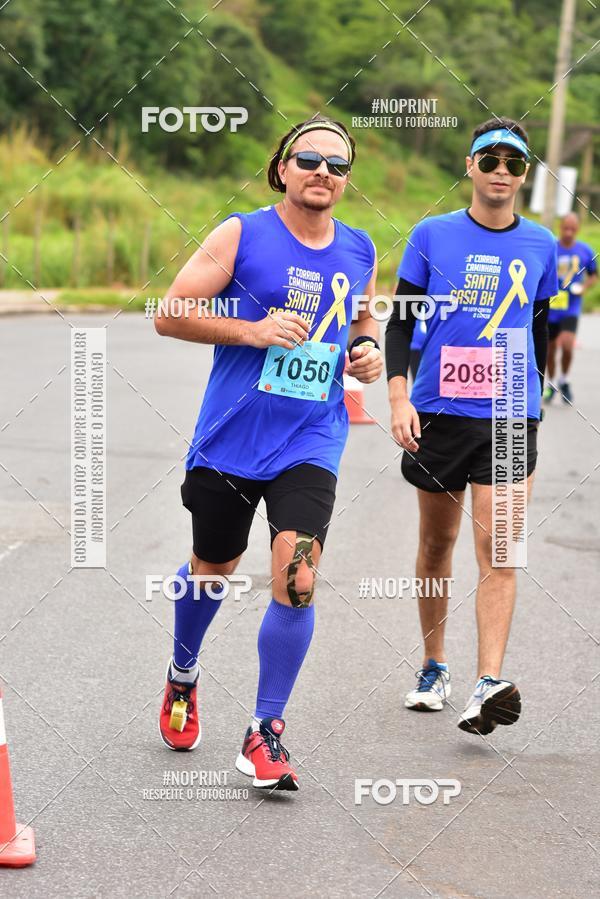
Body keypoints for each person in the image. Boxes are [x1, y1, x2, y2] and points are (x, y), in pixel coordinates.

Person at [154, 116, 382, 791]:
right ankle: (183, 674)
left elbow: (361, 318)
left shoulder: (360, 248)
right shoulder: (242, 234)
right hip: (230, 437)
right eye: (308, 159)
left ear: (346, 179)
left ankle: (265, 730)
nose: (322, 172)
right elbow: (169, 312)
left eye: (336, 164)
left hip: (311, 438)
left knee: (298, 575)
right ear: (281, 169)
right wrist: (252, 330)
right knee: (214, 566)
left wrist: (367, 350)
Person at [386, 117, 558, 735]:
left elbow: (539, 326)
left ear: (524, 173)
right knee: (438, 544)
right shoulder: (432, 234)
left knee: (501, 548)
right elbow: (400, 322)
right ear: (470, 166)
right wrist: (398, 396)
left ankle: (488, 683)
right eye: (490, 160)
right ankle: (434, 665)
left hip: (510, 413)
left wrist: (533, 400)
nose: (501, 172)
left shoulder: (541, 243)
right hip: (439, 411)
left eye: (514, 163)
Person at [544, 212, 597, 404]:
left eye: (572, 229)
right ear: (560, 227)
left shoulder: (585, 251)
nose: (568, 232)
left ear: (577, 229)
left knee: (567, 345)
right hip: (551, 308)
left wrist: (584, 287)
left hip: (571, 308)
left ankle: (564, 380)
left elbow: (593, 275)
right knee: (550, 349)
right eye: (565, 228)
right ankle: (552, 384)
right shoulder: (551, 248)